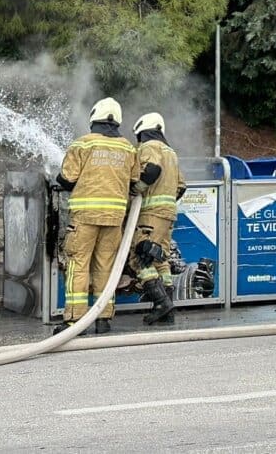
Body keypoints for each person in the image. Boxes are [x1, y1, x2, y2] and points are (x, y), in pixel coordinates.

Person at [54, 97, 142, 334]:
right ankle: (103, 319)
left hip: (85, 217)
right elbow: (135, 182)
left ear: (94, 117)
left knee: (78, 264)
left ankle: (74, 321)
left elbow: (66, 179)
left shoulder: (83, 144)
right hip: (114, 218)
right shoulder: (128, 148)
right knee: (106, 267)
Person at [128, 112, 186, 325]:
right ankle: (167, 311)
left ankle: (161, 302)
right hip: (168, 214)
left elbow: (152, 170)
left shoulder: (149, 147)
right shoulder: (171, 152)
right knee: (160, 259)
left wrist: (137, 189)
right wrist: (167, 204)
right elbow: (181, 186)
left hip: (151, 213)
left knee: (139, 256)